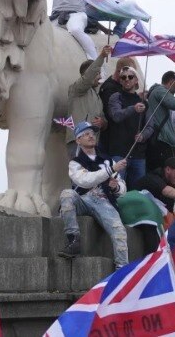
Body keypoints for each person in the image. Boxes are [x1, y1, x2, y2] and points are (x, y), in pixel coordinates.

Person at [58, 122, 129, 269]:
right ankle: (73, 240)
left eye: (92, 133)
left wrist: (116, 188)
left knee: (120, 232)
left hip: (104, 201)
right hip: (83, 199)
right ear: (78, 140)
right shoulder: (75, 163)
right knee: (66, 194)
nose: (91, 135)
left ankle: (122, 271)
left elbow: (123, 188)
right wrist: (110, 171)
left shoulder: (108, 160)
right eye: (86, 133)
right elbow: (85, 181)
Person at [63, 45, 112, 155]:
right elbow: (89, 77)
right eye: (98, 73)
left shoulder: (97, 97)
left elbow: (104, 121)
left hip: (93, 145)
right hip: (78, 142)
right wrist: (102, 57)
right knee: (79, 172)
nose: (99, 77)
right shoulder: (76, 89)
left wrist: (102, 122)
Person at [105, 66, 147, 185]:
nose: (127, 79)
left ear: (136, 80)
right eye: (123, 77)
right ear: (120, 81)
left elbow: (150, 126)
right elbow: (116, 116)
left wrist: (143, 136)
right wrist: (133, 109)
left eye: (130, 76)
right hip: (119, 153)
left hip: (138, 154)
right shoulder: (116, 97)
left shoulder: (144, 102)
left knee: (137, 192)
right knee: (117, 190)